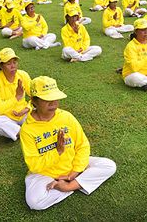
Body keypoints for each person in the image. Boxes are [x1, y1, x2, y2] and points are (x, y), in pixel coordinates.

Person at [20, 76, 116, 211]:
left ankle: (69, 186)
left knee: (109, 165)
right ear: (34, 101)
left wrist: (73, 174)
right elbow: (34, 165)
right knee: (34, 202)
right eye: (47, 99)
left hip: (71, 167)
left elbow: (82, 145)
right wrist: (57, 152)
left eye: (55, 98)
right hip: (46, 174)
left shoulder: (67, 117)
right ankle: (79, 184)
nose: (53, 103)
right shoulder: (28, 129)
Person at [0, 48, 31, 141]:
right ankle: (25, 133)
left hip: (25, 113)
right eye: (8, 64)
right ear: (1, 66)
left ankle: (21, 132)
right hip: (8, 117)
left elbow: (36, 97)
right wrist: (16, 97)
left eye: (14, 62)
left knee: (43, 106)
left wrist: (27, 108)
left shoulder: (23, 75)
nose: (13, 66)